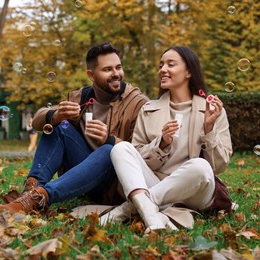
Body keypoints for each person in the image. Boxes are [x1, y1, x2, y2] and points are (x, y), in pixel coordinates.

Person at [0, 42, 149, 214]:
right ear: (91, 75)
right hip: (82, 175)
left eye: (118, 67)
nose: (116, 74)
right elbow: (38, 120)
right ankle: (30, 191)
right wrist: (55, 116)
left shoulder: (138, 103)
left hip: (113, 184)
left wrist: (110, 139)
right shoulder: (81, 97)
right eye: (108, 69)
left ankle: (39, 197)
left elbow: (143, 153)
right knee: (57, 125)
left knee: (109, 150)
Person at [99, 46, 233, 233]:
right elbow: (138, 155)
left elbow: (218, 166)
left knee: (200, 166)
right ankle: (153, 218)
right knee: (121, 149)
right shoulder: (148, 109)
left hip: (194, 192)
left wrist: (209, 129)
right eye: (161, 65)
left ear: (189, 72)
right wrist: (161, 144)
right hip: (155, 182)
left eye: (171, 64)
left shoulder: (212, 110)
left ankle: (129, 208)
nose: (162, 70)